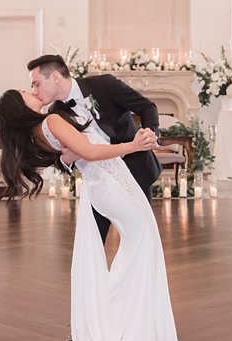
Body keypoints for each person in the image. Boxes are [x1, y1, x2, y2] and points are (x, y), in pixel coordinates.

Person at [0, 88, 179, 341]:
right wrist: (133, 146)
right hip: (111, 184)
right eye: (25, 91)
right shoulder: (50, 122)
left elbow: (69, 157)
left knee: (141, 245)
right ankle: (122, 323)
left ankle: (120, 317)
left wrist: (71, 156)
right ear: (19, 106)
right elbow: (91, 152)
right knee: (142, 244)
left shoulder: (39, 131)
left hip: (106, 186)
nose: (31, 90)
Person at [27, 54, 162, 243]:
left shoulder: (104, 84)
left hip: (135, 170)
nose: (34, 91)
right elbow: (58, 159)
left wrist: (150, 132)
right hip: (98, 181)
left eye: (36, 84)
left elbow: (147, 107)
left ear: (56, 77)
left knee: (140, 236)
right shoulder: (54, 115)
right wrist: (66, 159)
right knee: (93, 242)